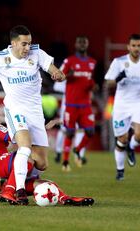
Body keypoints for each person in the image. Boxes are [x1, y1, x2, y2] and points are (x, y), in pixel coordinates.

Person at [0, 25, 65, 205]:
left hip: (35, 112)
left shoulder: (37, 54)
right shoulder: (0, 58)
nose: (28, 48)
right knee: (25, 147)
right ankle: (17, 191)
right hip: (15, 110)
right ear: (14, 43)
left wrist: (57, 73)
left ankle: (14, 180)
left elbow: (52, 68)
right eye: (24, 44)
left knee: (41, 163)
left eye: (29, 43)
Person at [0, 97, 94, 206]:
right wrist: (42, 128)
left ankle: (65, 198)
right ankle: (8, 191)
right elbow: (19, 137)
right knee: (27, 155)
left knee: (45, 184)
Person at [104, 34, 140, 180]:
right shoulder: (119, 62)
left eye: (139, 46)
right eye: (133, 45)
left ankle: (131, 148)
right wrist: (118, 78)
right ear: (128, 47)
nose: (136, 48)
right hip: (121, 105)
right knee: (122, 139)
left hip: (138, 102)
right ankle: (120, 170)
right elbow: (108, 82)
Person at [59, 36, 97, 171]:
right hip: (71, 104)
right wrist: (68, 75)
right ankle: (65, 161)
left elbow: (90, 80)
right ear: (75, 44)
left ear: (87, 44)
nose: (82, 44)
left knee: (91, 131)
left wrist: (93, 86)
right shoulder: (69, 61)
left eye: (84, 42)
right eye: (79, 42)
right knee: (70, 132)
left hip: (85, 104)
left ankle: (78, 149)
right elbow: (58, 77)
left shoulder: (92, 62)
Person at [53, 80, 87, 169]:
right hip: (68, 104)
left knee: (81, 130)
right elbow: (56, 86)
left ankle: (79, 155)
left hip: (81, 104)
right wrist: (71, 88)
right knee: (65, 130)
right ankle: (58, 152)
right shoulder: (67, 67)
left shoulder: (87, 69)